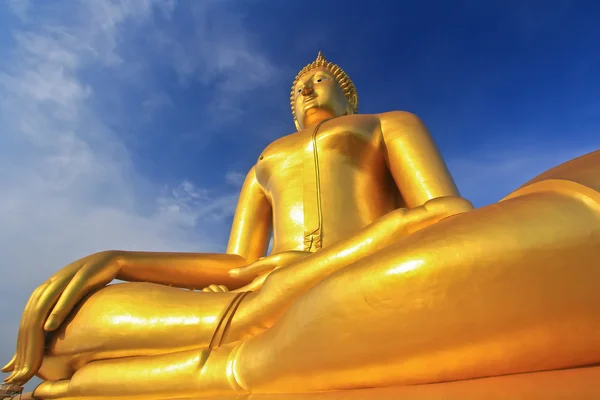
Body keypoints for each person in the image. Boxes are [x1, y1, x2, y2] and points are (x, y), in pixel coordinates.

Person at [4, 52, 600, 399]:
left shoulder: (386, 124)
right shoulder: (267, 160)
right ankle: (241, 347)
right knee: (71, 329)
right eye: (298, 87)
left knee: (342, 300)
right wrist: (121, 260)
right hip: (264, 291)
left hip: (369, 268)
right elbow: (238, 265)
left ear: (347, 93)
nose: (306, 87)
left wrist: (342, 259)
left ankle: (218, 362)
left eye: (319, 81)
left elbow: (446, 213)